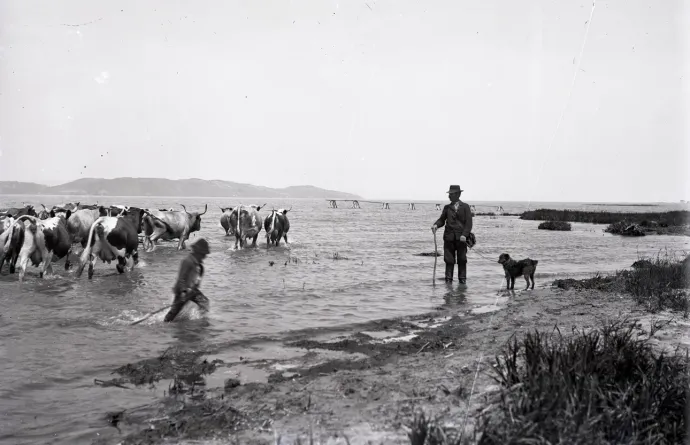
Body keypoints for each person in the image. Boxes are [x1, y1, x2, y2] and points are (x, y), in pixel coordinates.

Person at [431, 185, 473, 284]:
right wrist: (436, 225)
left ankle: (462, 282)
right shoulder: (447, 208)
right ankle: (448, 282)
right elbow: (442, 220)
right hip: (449, 238)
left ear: (458, 194)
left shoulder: (465, 207)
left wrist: (465, 235)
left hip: (461, 239)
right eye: (449, 194)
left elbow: (469, 223)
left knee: (462, 260)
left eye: (452, 194)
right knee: (449, 260)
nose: (449, 196)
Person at [164, 237, 211, 322]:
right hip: (182, 291)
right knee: (173, 314)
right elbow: (181, 278)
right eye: (203, 254)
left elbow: (197, 280)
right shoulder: (187, 261)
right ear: (198, 252)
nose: (204, 257)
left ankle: (200, 321)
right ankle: (165, 324)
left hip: (192, 291)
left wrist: (193, 288)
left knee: (205, 302)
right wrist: (183, 292)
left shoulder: (199, 265)